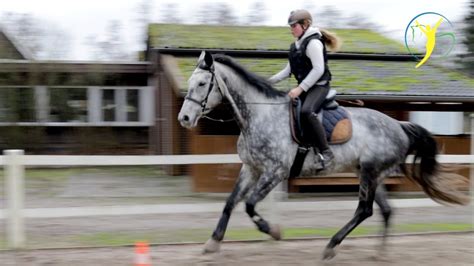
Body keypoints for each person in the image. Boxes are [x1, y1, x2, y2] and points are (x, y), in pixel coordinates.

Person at [269, 9, 341, 169]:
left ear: (305, 24)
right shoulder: (295, 46)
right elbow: (288, 71)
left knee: (306, 111)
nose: (291, 29)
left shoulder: (314, 43)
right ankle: (304, 146)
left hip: (319, 86)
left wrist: (300, 89)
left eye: (294, 25)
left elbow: (318, 69)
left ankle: (327, 153)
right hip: (307, 88)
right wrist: (267, 83)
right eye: (291, 26)